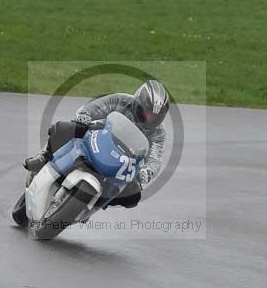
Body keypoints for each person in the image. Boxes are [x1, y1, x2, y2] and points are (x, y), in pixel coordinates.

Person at [23, 79, 169, 208]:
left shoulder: (158, 133)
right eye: (148, 112)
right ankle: (43, 158)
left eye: (156, 116)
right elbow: (95, 106)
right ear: (139, 103)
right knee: (63, 128)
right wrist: (85, 115)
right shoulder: (121, 100)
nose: (150, 118)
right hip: (97, 139)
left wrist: (147, 171)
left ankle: (95, 204)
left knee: (133, 196)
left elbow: (155, 159)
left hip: (121, 163)